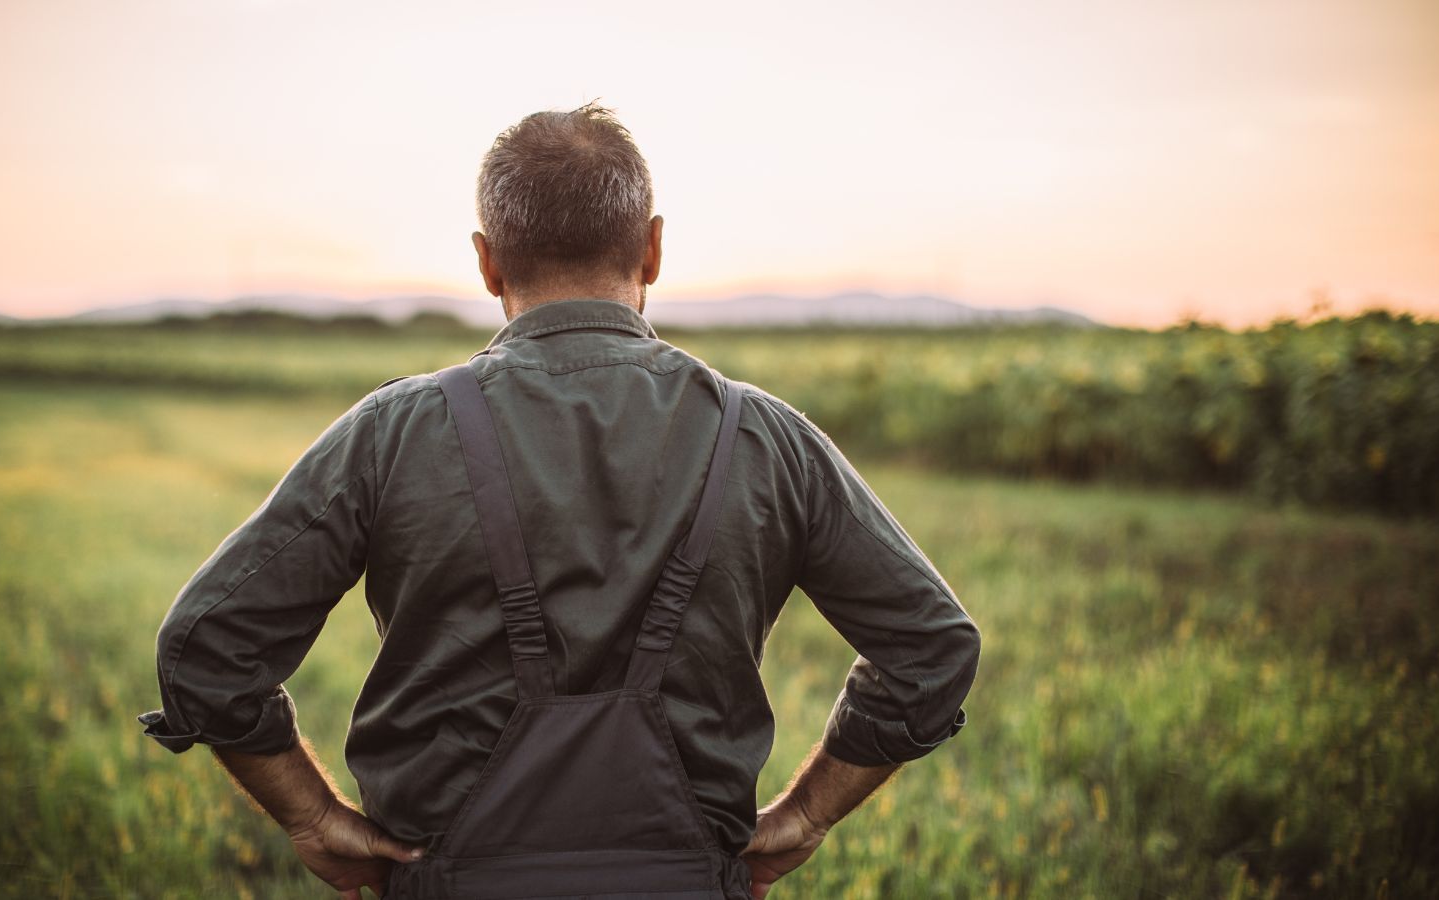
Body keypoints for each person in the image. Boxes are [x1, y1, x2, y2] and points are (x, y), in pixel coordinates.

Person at [137, 102, 980, 900]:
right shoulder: (764, 439)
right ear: (652, 251)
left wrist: (312, 817)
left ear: (487, 260)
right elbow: (931, 651)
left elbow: (207, 646)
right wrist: (806, 814)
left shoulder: (394, 432)